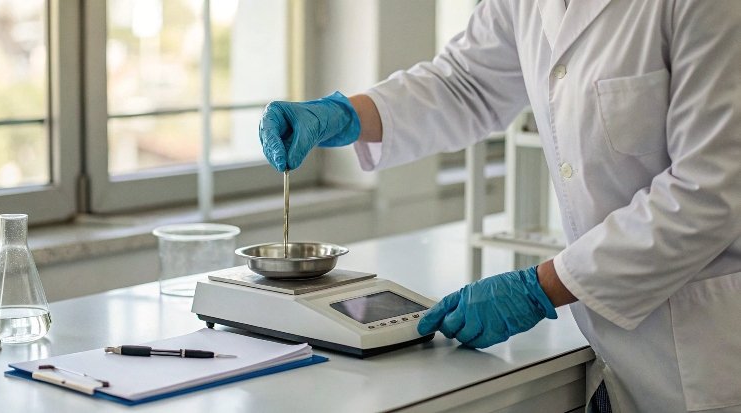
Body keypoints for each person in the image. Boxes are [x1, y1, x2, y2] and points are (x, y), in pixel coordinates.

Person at [259, 1, 741, 412]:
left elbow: (711, 189)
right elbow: (464, 84)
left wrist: (543, 286)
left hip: (710, 353)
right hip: (615, 350)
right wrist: (345, 116)